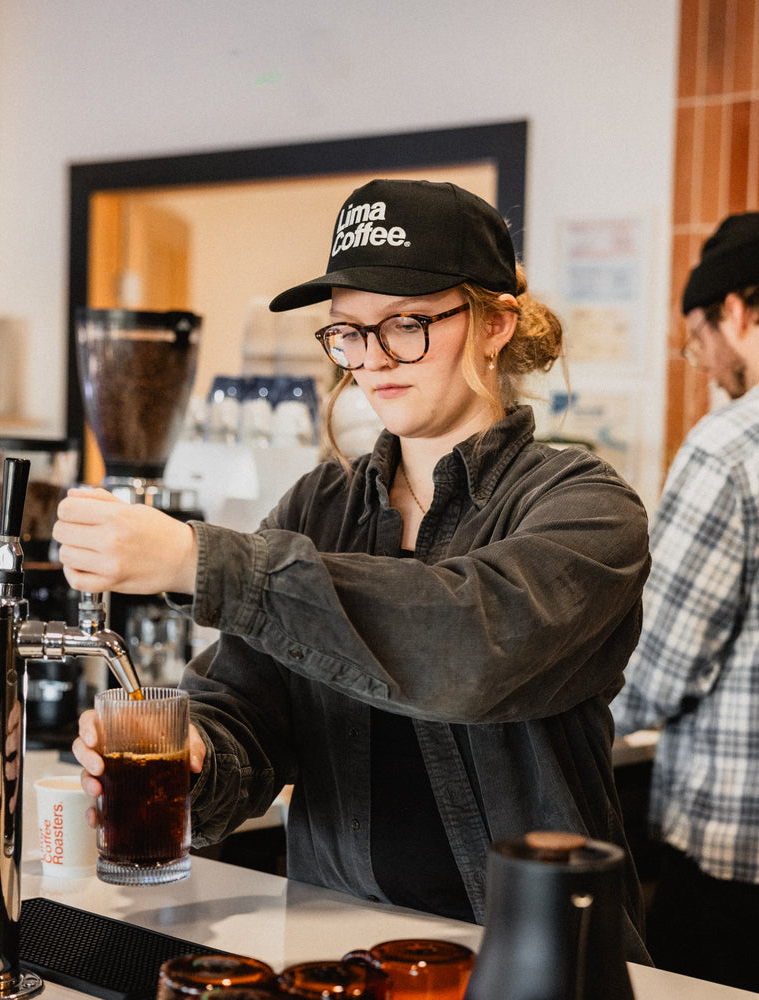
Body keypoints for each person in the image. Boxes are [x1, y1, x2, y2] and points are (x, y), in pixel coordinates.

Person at [56, 179, 651, 960]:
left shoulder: (586, 507)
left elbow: (471, 646)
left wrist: (197, 557)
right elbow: (248, 711)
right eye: (348, 333)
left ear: (496, 324)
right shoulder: (319, 507)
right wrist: (196, 758)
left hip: (533, 956)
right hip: (343, 954)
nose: (372, 361)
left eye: (406, 324)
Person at [611, 212, 759, 991]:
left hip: (737, 859)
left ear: (735, 310)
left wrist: (552, 729)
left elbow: (661, 659)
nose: (702, 363)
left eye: (696, 337)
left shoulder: (729, 444)